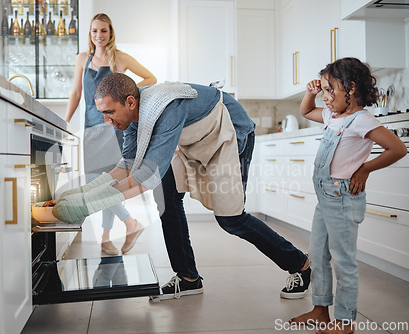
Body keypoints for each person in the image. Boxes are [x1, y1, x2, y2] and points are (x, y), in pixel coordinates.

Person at [53, 72, 312, 301]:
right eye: (103, 113)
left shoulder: (166, 109)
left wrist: (89, 204)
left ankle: (300, 264)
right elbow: (128, 164)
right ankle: (188, 278)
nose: (107, 121)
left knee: (231, 219)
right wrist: (82, 193)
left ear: (130, 102)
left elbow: (147, 176)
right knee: (166, 198)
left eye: (109, 112)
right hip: (194, 139)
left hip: (229, 133)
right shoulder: (130, 117)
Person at [289, 58, 406, 334]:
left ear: (350, 89)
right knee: (317, 255)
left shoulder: (361, 119)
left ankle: (345, 321)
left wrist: (365, 169)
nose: (326, 97)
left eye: (330, 90)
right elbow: (306, 112)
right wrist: (311, 92)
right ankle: (320, 310)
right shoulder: (333, 115)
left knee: (343, 260)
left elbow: (398, 148)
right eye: (325, 91)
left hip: (342, 198)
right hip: (325, 199)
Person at [64, 13, 157, 255]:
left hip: (113, 128)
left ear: (110, 32)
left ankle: (114, 232)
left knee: (108, 181)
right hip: (90, 128)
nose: (99, 35)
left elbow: (151, 77)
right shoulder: (82, 59)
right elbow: (76, 93)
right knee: (97, 181)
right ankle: (124, 226)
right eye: (94, 31)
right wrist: (64, 121)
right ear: (90, 33)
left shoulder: (120, 59)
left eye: (103, 31)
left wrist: (130, 97)